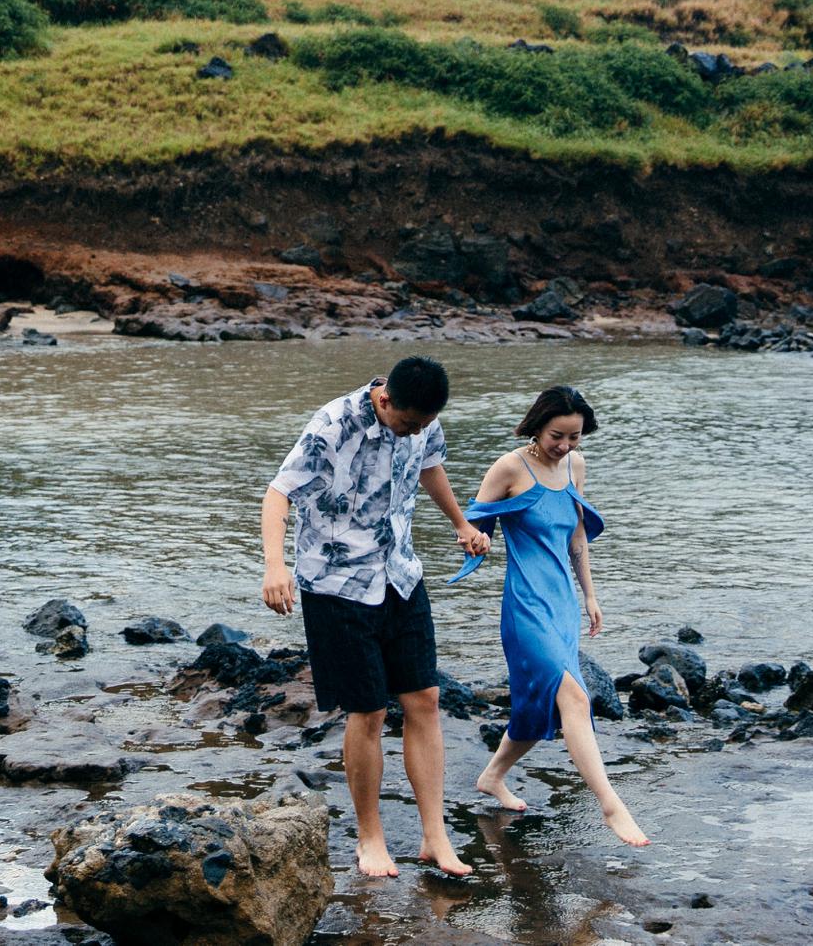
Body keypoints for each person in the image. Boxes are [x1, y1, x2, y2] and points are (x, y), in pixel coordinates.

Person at [261, 356, 490, 878]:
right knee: (368, 711)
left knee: (425, 699)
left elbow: (430, 466)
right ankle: (371, 838)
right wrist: (276, 568)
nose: (417, 431)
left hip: (400, 575)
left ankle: (435, 836)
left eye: (424, 424)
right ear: (385, 399)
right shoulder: (333, 424)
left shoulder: (423, 420)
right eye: (409, 423)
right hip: (337, 585)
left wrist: (461, 522)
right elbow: (278, 494)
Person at [453, 384, 648, 846]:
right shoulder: (508, 468)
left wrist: (591, 597)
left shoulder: (575, 466)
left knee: (537, 704)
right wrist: (475, 540)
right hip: (525, 604)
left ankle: (492, 776)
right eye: (557, 435)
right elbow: (470, 529)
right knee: (574, 699)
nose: (564, 446)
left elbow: (577, 539)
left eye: (574, 437)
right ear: (537, 426)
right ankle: (610, 805)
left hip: (560, 602)